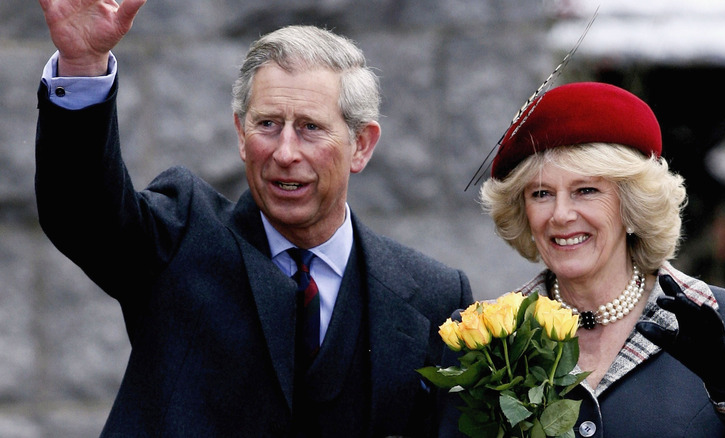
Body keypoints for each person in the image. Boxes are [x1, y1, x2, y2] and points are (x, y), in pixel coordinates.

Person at [34, 1, 473, 436]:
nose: (284, 153)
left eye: (310, 128)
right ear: (241, 134)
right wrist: (83, 63)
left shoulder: (434, 298)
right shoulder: (182, 234)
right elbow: (83, 214)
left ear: (361, 145)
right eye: (267, 124)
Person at [469, 81, 725, 437]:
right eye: (541, 193)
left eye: (586, 190)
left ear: (631, 206)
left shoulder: (723, 319)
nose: (561, 214)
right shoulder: (488, 337)